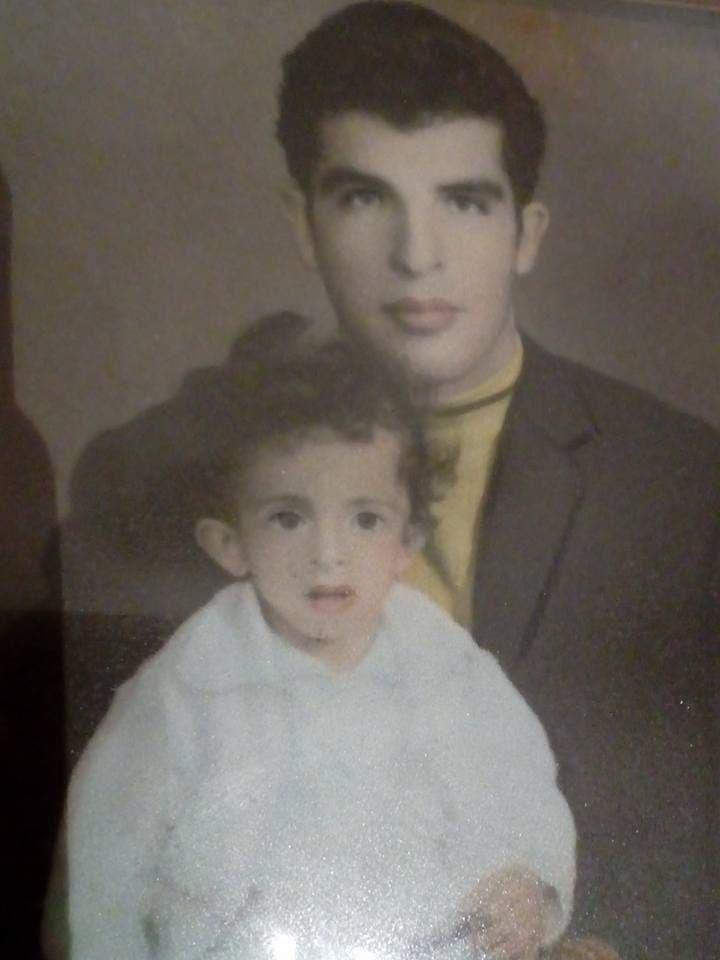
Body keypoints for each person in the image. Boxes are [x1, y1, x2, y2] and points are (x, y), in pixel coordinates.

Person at [62, 3, 719, 957]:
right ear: (304, 222)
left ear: (527, 232)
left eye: (466, 201)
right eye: (366, 198)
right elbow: (102, 857)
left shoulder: (686, 482)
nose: (418, 257)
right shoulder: (144, 475)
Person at [56, 317, 575, 960]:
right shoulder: (185, 690)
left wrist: (527, 880)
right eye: (288, 518)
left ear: (406, 543)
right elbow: (107, 864)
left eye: (365, 519)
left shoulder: (444, 665)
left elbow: (519, 784)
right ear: (230, 544)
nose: (328, 554)